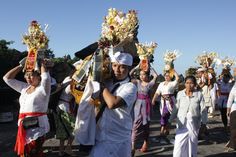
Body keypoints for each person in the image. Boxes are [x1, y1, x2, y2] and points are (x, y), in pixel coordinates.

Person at [89, 51, 137, 157]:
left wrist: (101, 84)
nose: (117, 70)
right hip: (100, 135)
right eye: (114, 65)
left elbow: (112, 103)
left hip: (118, 138)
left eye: (122, 67)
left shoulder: (130, 87)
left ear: (129, 69)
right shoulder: (108, 82)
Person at [3, 59, 51, 157]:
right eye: (26, 75)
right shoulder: (24, 88)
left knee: (33, 152)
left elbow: (46, 79)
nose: (28, 77)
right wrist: (22, 65)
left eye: (31, 75)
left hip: (37, 127)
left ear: (39, 76)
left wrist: (42, 64)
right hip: (24, 126)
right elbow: (7, 78)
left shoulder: (43, 89)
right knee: (26, 153)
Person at [169, 76, 207, 157]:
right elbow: (175, 109)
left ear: (195, 84)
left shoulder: (199, 95)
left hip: (194, 125)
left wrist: (204, 123)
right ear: (184, 84)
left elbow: (203, 110)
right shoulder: (180, 94)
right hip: (181, 124)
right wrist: (169, 121)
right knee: (178, 146)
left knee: (192, 145)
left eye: (191, 83)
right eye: (187, 83)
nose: (189, 85)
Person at [130, 63, 158, 154]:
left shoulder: (150, 84)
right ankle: (133, 147)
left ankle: (145, 144)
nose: (142, 76)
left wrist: (149, 66)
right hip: (138, 106)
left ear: (147, 75)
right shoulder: (137, 82)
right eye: (140, 74)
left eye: (144, 74)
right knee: (135, 125)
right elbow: (129, 75)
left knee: (146, 126)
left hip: (147, 106)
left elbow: (156, 76)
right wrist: (138, 67)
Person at [54, 65, 77, 157]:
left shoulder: (67, 79)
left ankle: (61, 151)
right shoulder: (73, 83)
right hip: (65, 107)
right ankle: (68, 148)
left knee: (62, 130)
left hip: (60, 106)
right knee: (76, 129)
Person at [152, 69, 179, 143]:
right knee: (164, 117)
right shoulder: (161, 84)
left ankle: (165, 133)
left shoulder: (172, 83)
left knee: (172, 117)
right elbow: (157, 93)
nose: (167, 77)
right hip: (163, 102)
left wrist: (172, 69)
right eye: (166, 75)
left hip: (171, 102)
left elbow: (178, 78)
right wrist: (153, 100)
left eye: (168, 76)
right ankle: (163, 134)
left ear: (171, 76)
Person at [225, 67, 236, 151]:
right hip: (234, 109)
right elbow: (230, 99)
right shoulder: (234, 87)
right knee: (233, 128)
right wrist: (228, 110)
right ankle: (233, 144)